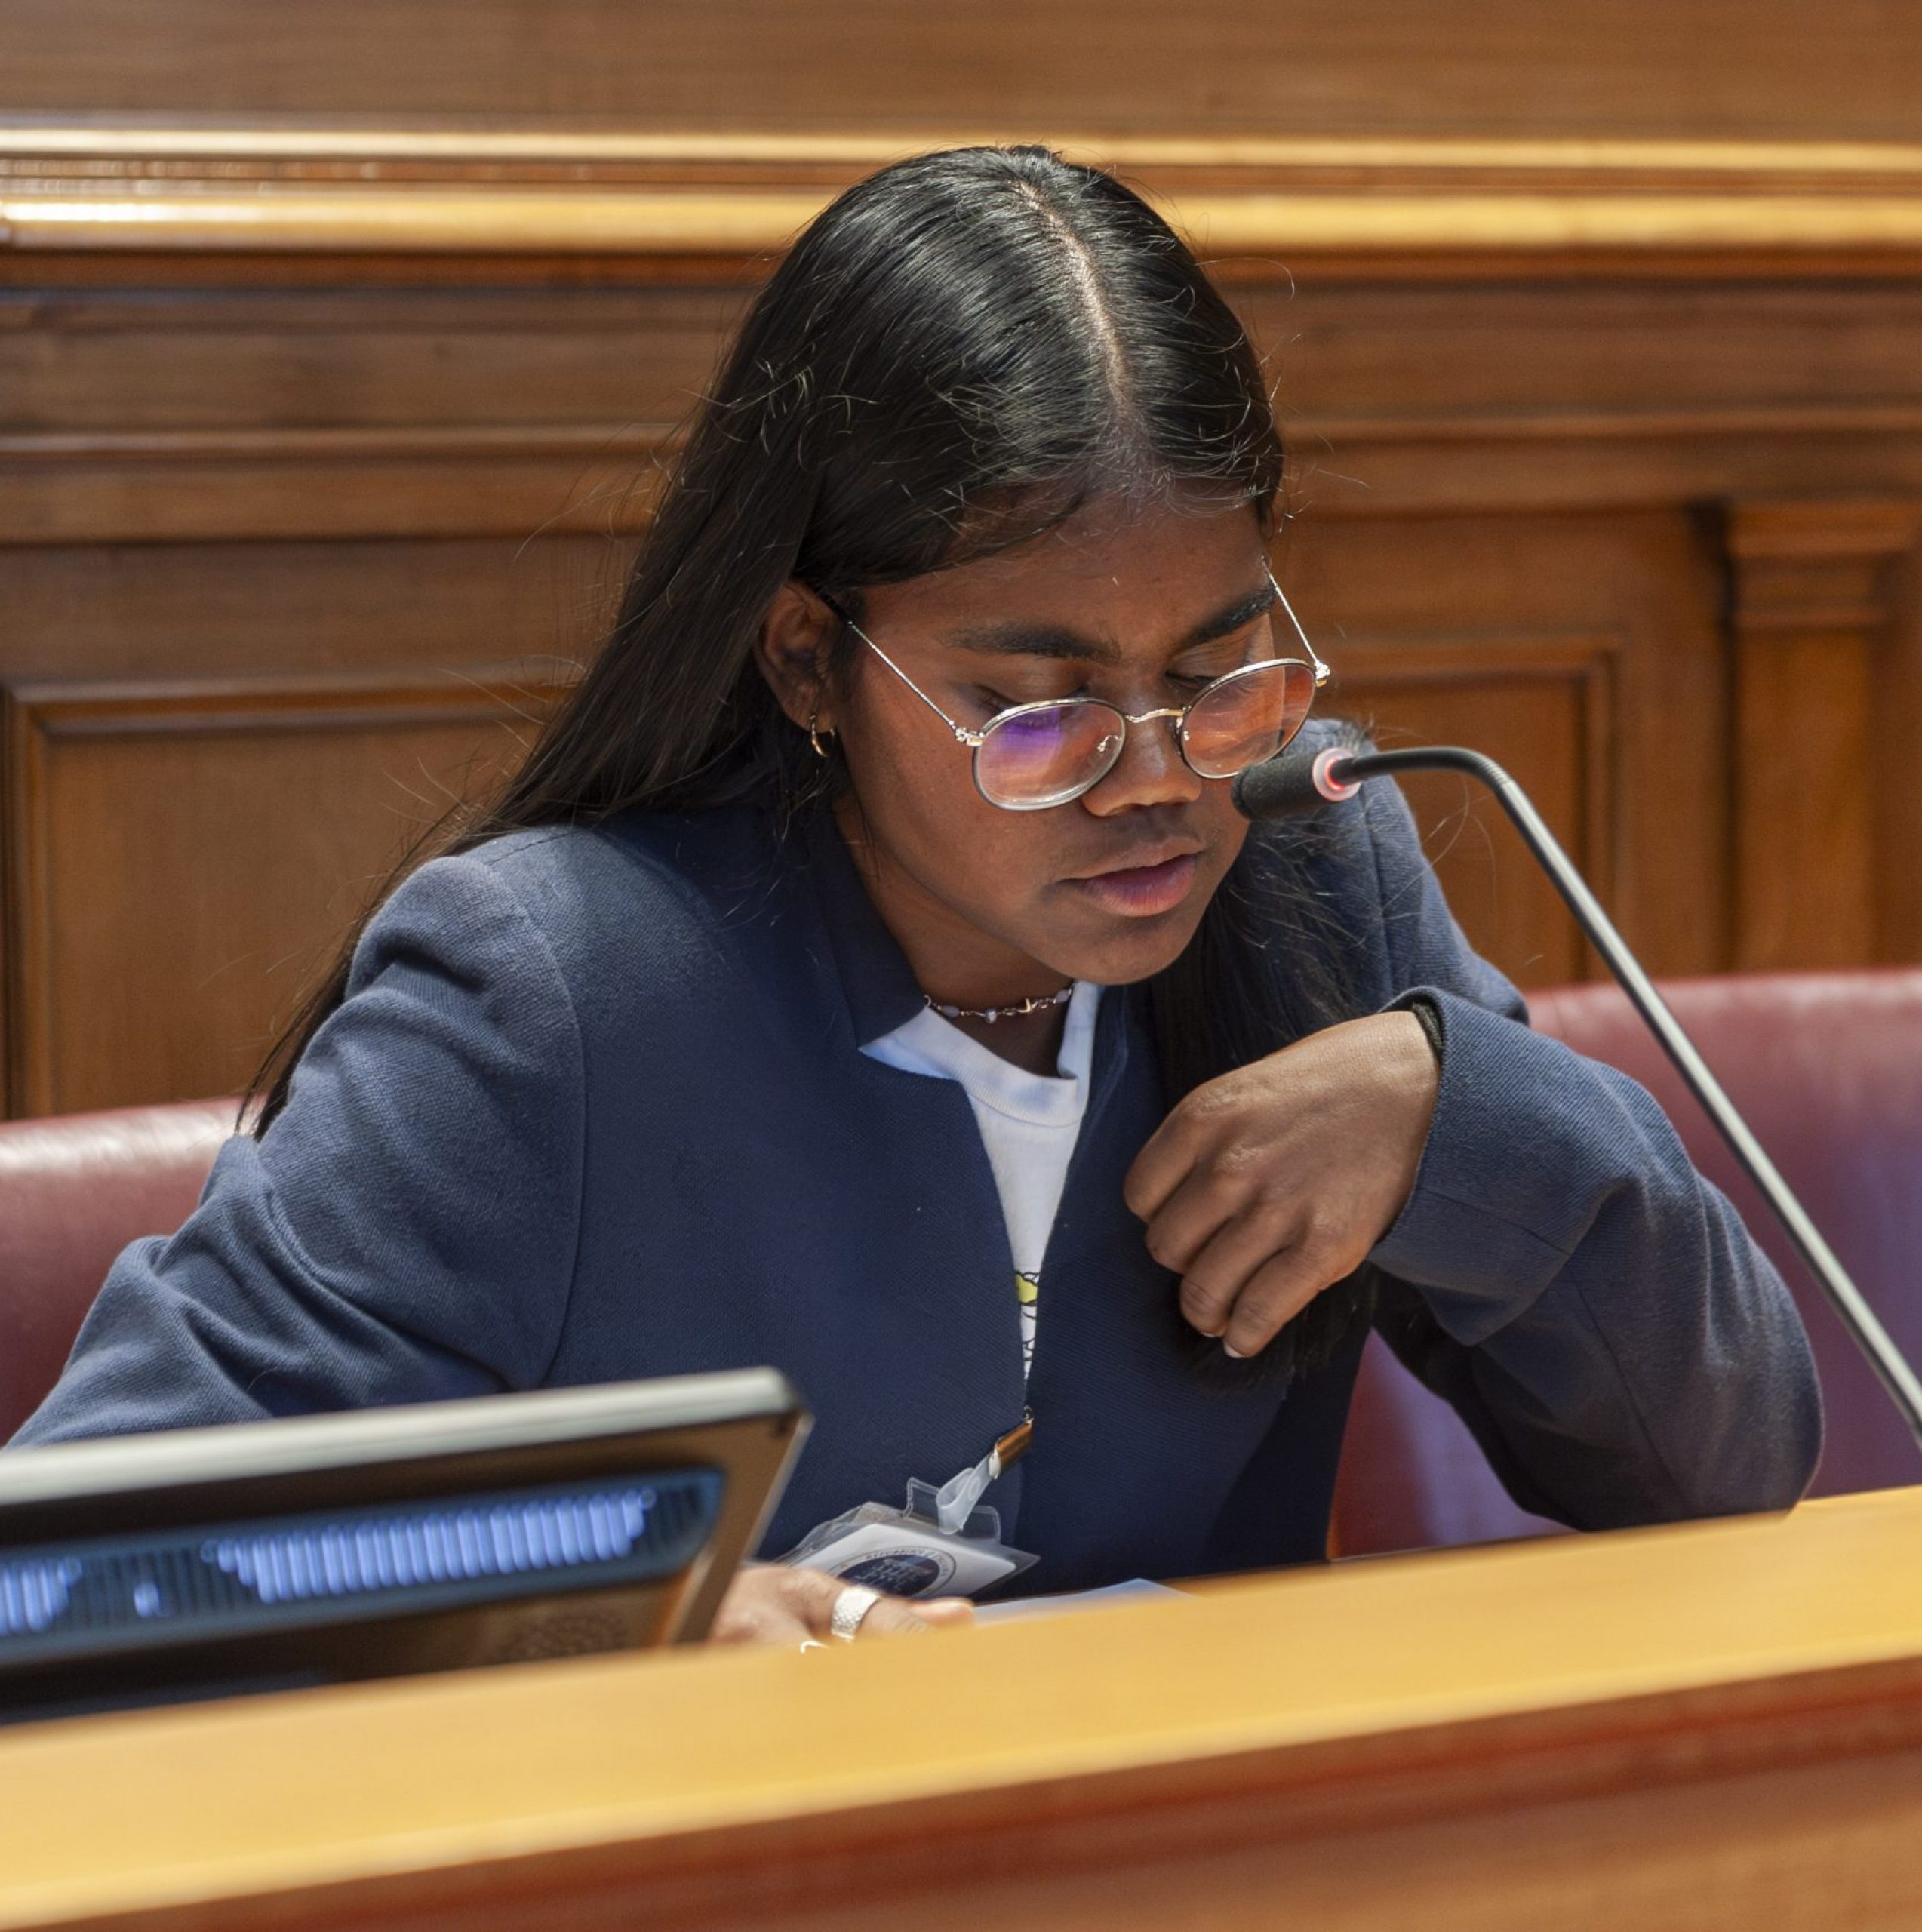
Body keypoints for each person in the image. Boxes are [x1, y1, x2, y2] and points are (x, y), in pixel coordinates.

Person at [12, 145, 1822, 1647]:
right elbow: (85, 1565)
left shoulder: (1314, 872)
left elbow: (1724, 1472)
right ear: (808, 656)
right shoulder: (550, 991)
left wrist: (1462, 1118)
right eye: (1033, 707)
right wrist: (613, 1607)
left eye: (1216, 671)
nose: (1154, 776)